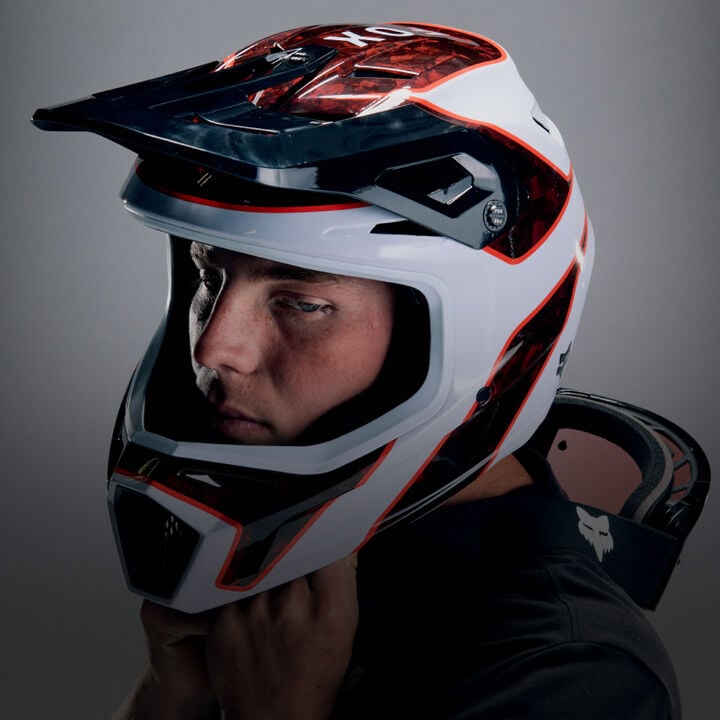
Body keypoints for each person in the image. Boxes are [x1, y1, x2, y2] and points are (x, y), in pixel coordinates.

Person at [33, 22, 708, 719]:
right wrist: (166, 698)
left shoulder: (574, 675)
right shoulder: (289, 566)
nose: (214, 349)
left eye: (302, 303)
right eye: (210, 277)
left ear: (465, 335)